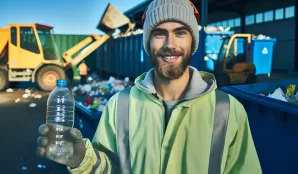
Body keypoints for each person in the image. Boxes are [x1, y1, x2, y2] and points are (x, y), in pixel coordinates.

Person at [37, 0, 262, 173]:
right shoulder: (120, 105)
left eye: (180, 33)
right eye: (159, 34)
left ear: (192, 41)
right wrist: (82, 160)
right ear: (148, 42)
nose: (170, 44)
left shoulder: (228, 110)